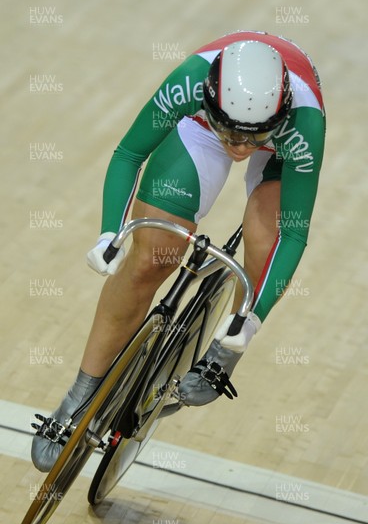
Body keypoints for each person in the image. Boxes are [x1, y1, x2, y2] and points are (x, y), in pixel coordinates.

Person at [32, 30, 326, 472]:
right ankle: (80, 393)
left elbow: (295, 235)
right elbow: (129, 153)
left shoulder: (304, 123)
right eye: (234, 135)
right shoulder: (189, 82)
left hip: (279, 149)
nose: (242, 149)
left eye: (253, 138)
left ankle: (223, 352)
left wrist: (254, 317)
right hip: (201, 130)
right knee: (149, 259)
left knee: (266, 243)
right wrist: (108, 233)